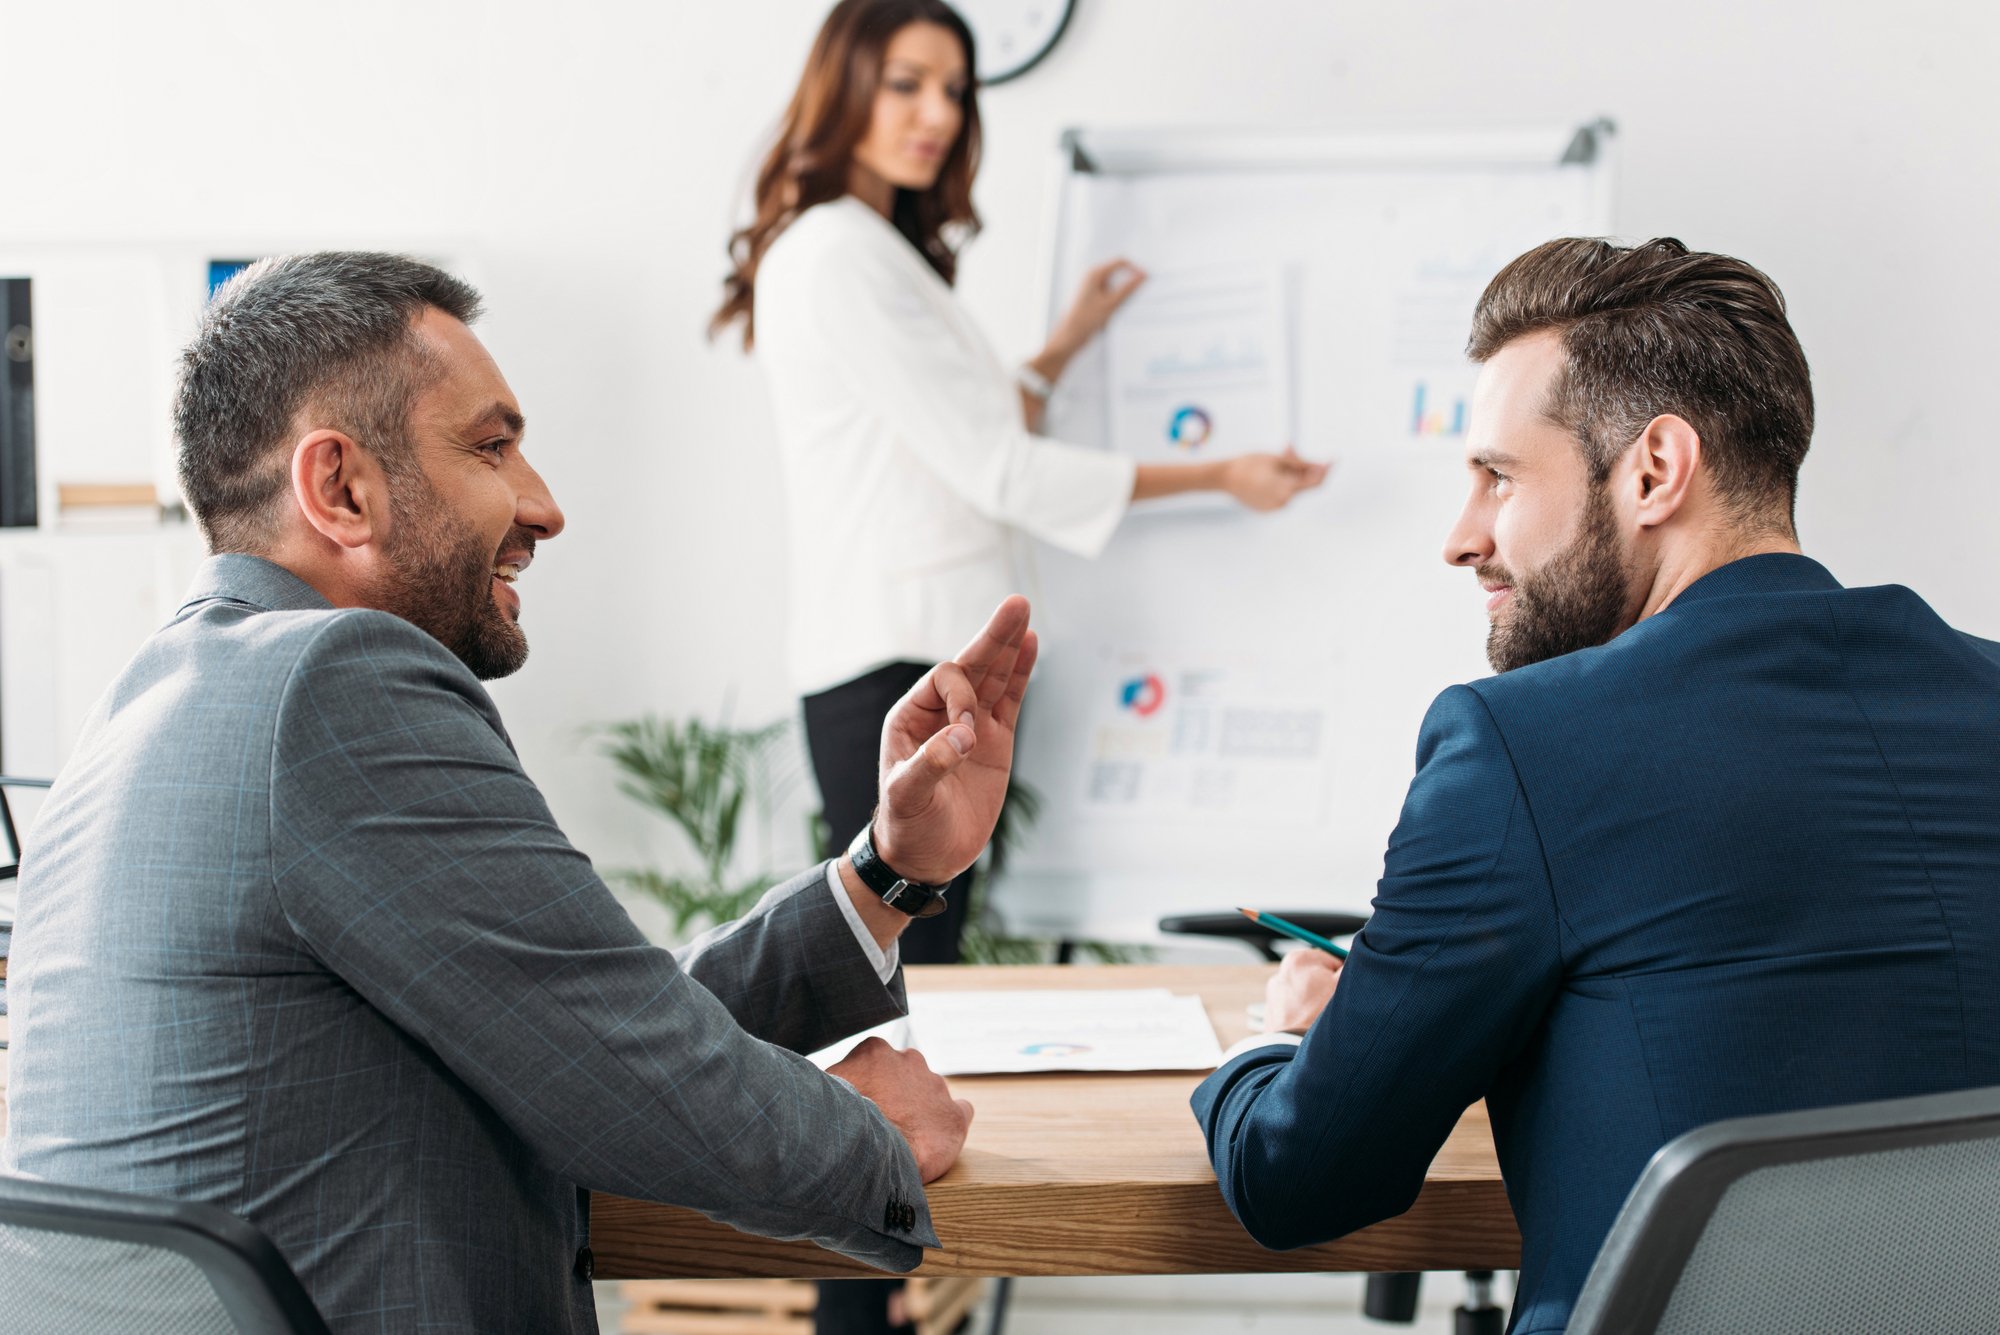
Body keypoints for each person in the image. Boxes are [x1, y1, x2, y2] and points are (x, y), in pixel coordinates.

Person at [0, 252, 1043, 1335]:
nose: (542, 506)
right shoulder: (333, 683)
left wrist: (884, 873)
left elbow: (579, 1022)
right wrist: (872, 1134)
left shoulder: (136, 717)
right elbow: (642, 1078)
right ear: (341, 488)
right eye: (491, 447)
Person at [1191, 237, 2000, 1334]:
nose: (1460, 537)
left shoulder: (1521, 744)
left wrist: (1276, 1044)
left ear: (1653, 470)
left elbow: (1302, 1185)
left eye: (1497, 476)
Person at [711, 0, 1328, 973]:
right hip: (897, 658)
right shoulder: (837, 251)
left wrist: (1063, 345)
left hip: (922, 647)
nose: (938, 114)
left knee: (922, 963)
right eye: (906, 84)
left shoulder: (876, 248)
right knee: (911, 974)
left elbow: (969, 430)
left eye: (954, 91)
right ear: (845, 88)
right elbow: (998, 469)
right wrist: (1221, 473)